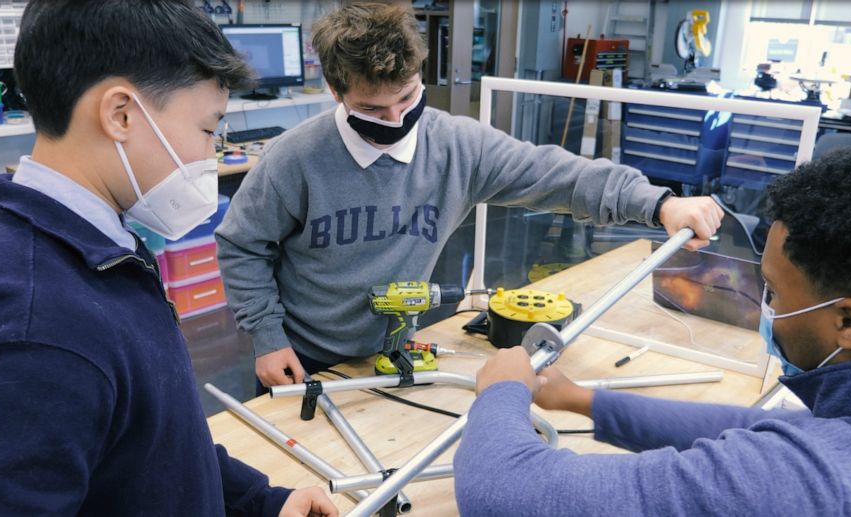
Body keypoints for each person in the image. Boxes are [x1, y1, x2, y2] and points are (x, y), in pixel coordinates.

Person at [0, 1, 336, 515]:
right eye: (209, 131)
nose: (210, 155)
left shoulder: (97, 250)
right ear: (120, 114)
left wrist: (258, 501)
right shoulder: (32, 331)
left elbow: (151, 435)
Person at [216, 2, 724, 394]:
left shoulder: (458, 147)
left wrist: (659, 203)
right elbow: (242, 245)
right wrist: (267, 336)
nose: (396, 122)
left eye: (408, 98)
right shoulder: (293, 159)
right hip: (301, 358)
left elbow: (557, 175)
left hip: (399, 351)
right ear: (335, 90)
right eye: (373, 109)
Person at [454, 138, 851, 515]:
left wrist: (501, 392)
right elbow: (757, 426)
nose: (765, 307)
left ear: (849, 323)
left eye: (773, 293)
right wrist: (581, 399)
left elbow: (506, 492)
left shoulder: (819, 479)